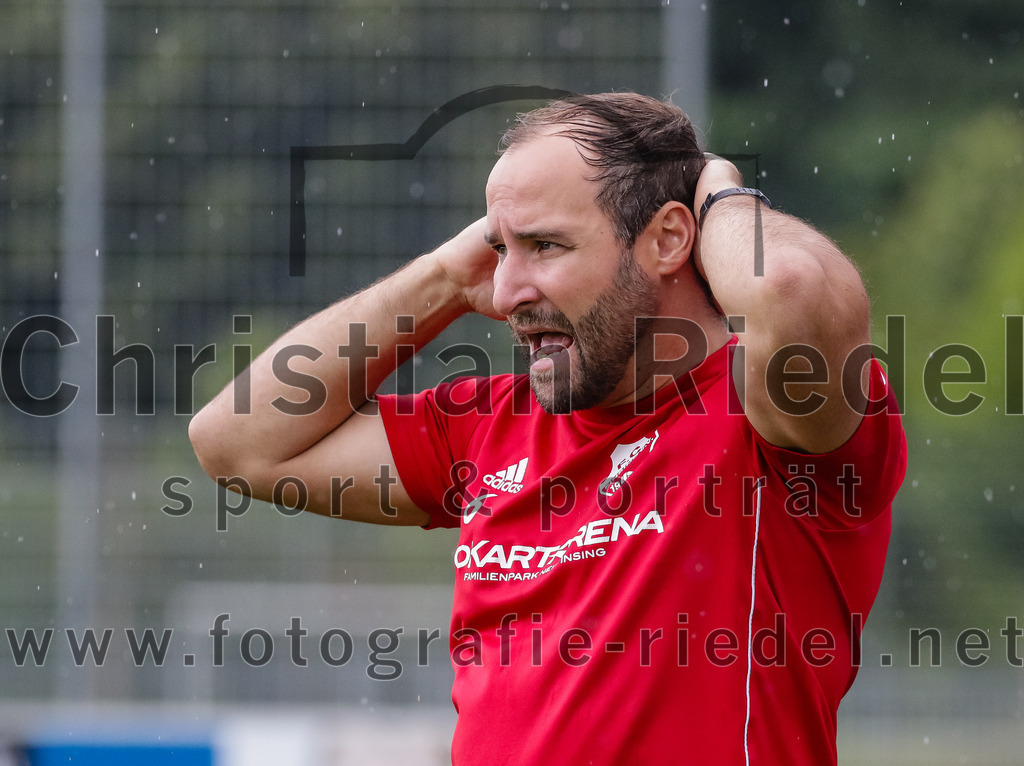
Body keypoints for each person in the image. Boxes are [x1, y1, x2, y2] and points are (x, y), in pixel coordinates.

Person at [189, 92, 906, 765]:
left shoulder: (772, 424)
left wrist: (718, 192)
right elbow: (236, 442)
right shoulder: (488, 426)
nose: (504, 294)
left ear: (667, 240)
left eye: (546, 246)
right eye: (500, 249)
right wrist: (442, 278)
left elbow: (787, 287)